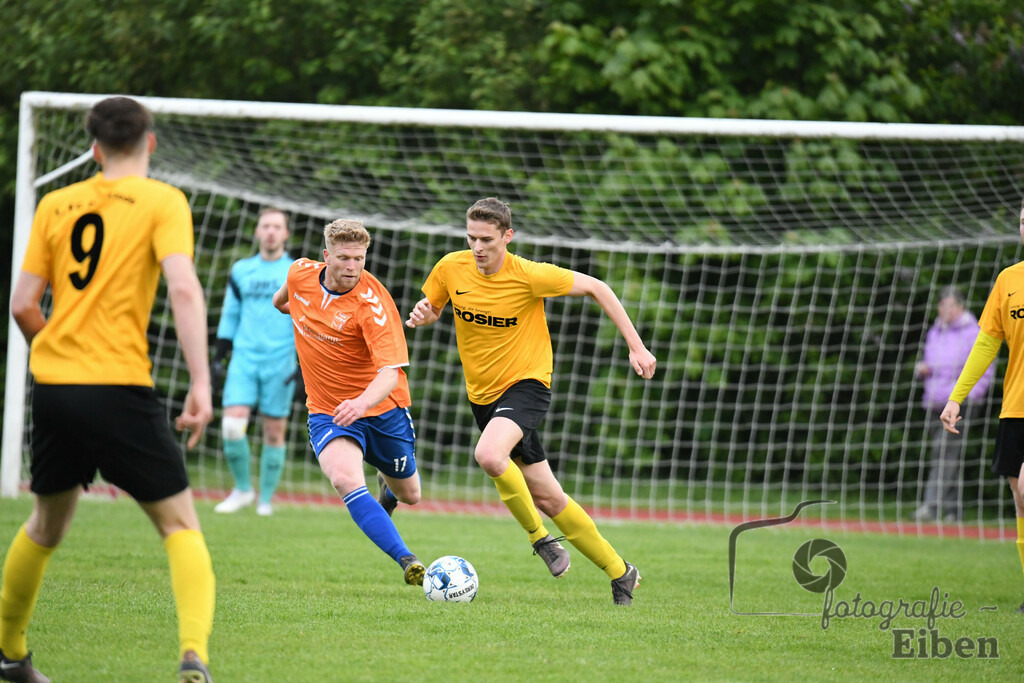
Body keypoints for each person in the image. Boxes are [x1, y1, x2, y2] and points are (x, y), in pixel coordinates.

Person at [2, 97, 215, 682]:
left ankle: (10, 654)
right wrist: (200, 381)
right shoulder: (162, 201)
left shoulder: (56, 202)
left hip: (55, 387)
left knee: (45, 525)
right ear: (149, 142)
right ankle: (193, 654)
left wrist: (60, 351)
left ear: (93, 148)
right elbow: (185, 289)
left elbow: (22, 304)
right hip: (119, 386)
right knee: (179, 526)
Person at [405, 197, 657, 606]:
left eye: (486, 239)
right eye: (471, 238)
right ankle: (621, 572)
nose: (478, 247)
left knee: (488, 454)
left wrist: (637, 347)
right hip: (483, 399)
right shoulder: (450, 267)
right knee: (549, 497)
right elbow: (434, 306)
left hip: (527, 386)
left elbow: (598, 287)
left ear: (508, 236)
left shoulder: (530, 275)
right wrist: (425, 314)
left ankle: (542, 541)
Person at [271, 219, 426, 586]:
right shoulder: (299, 273)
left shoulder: (373, 305)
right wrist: (312, 323)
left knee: (411, 494)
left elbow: (390, 374)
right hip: (328, 410)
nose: (352, 267)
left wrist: (359, 403)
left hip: (382, 409)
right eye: (344, 258)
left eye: (359, 259)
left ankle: (386, 483)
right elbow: (281, 303)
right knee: (343, 478)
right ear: (326, 256)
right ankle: (407, 560)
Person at [941, 198, 1024, 615]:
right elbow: (987, 344)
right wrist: (956, 397)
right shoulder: (1008, 280)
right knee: (1020, 498)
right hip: (1015, 408)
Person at [210, 207, 298, 517]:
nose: (271, 231)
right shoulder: (240, 270)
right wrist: (219, 356)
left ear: (286, 233)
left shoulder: (297, 272)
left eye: (277, 226)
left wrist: (304, 362)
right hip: (244, 358)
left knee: (274, 431)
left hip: (281, 360)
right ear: (257, 231)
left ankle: (266, 501)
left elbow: (306, 319)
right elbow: (230, 313)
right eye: (266, 226)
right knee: (233, 425)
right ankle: (243, 490)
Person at [914, 286, 993, 522]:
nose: (946, 310)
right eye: (942, 305)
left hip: (960, 401)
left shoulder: (973, 331)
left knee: (944, 451)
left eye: (951, 305)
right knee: (946, 453)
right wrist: (924, 371)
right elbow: (931, 361)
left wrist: (971, 395)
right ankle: (953, 510)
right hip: (935, 400)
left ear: (961, 307)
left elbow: (984, 367)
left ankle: (931, 506)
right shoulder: (935, 331)